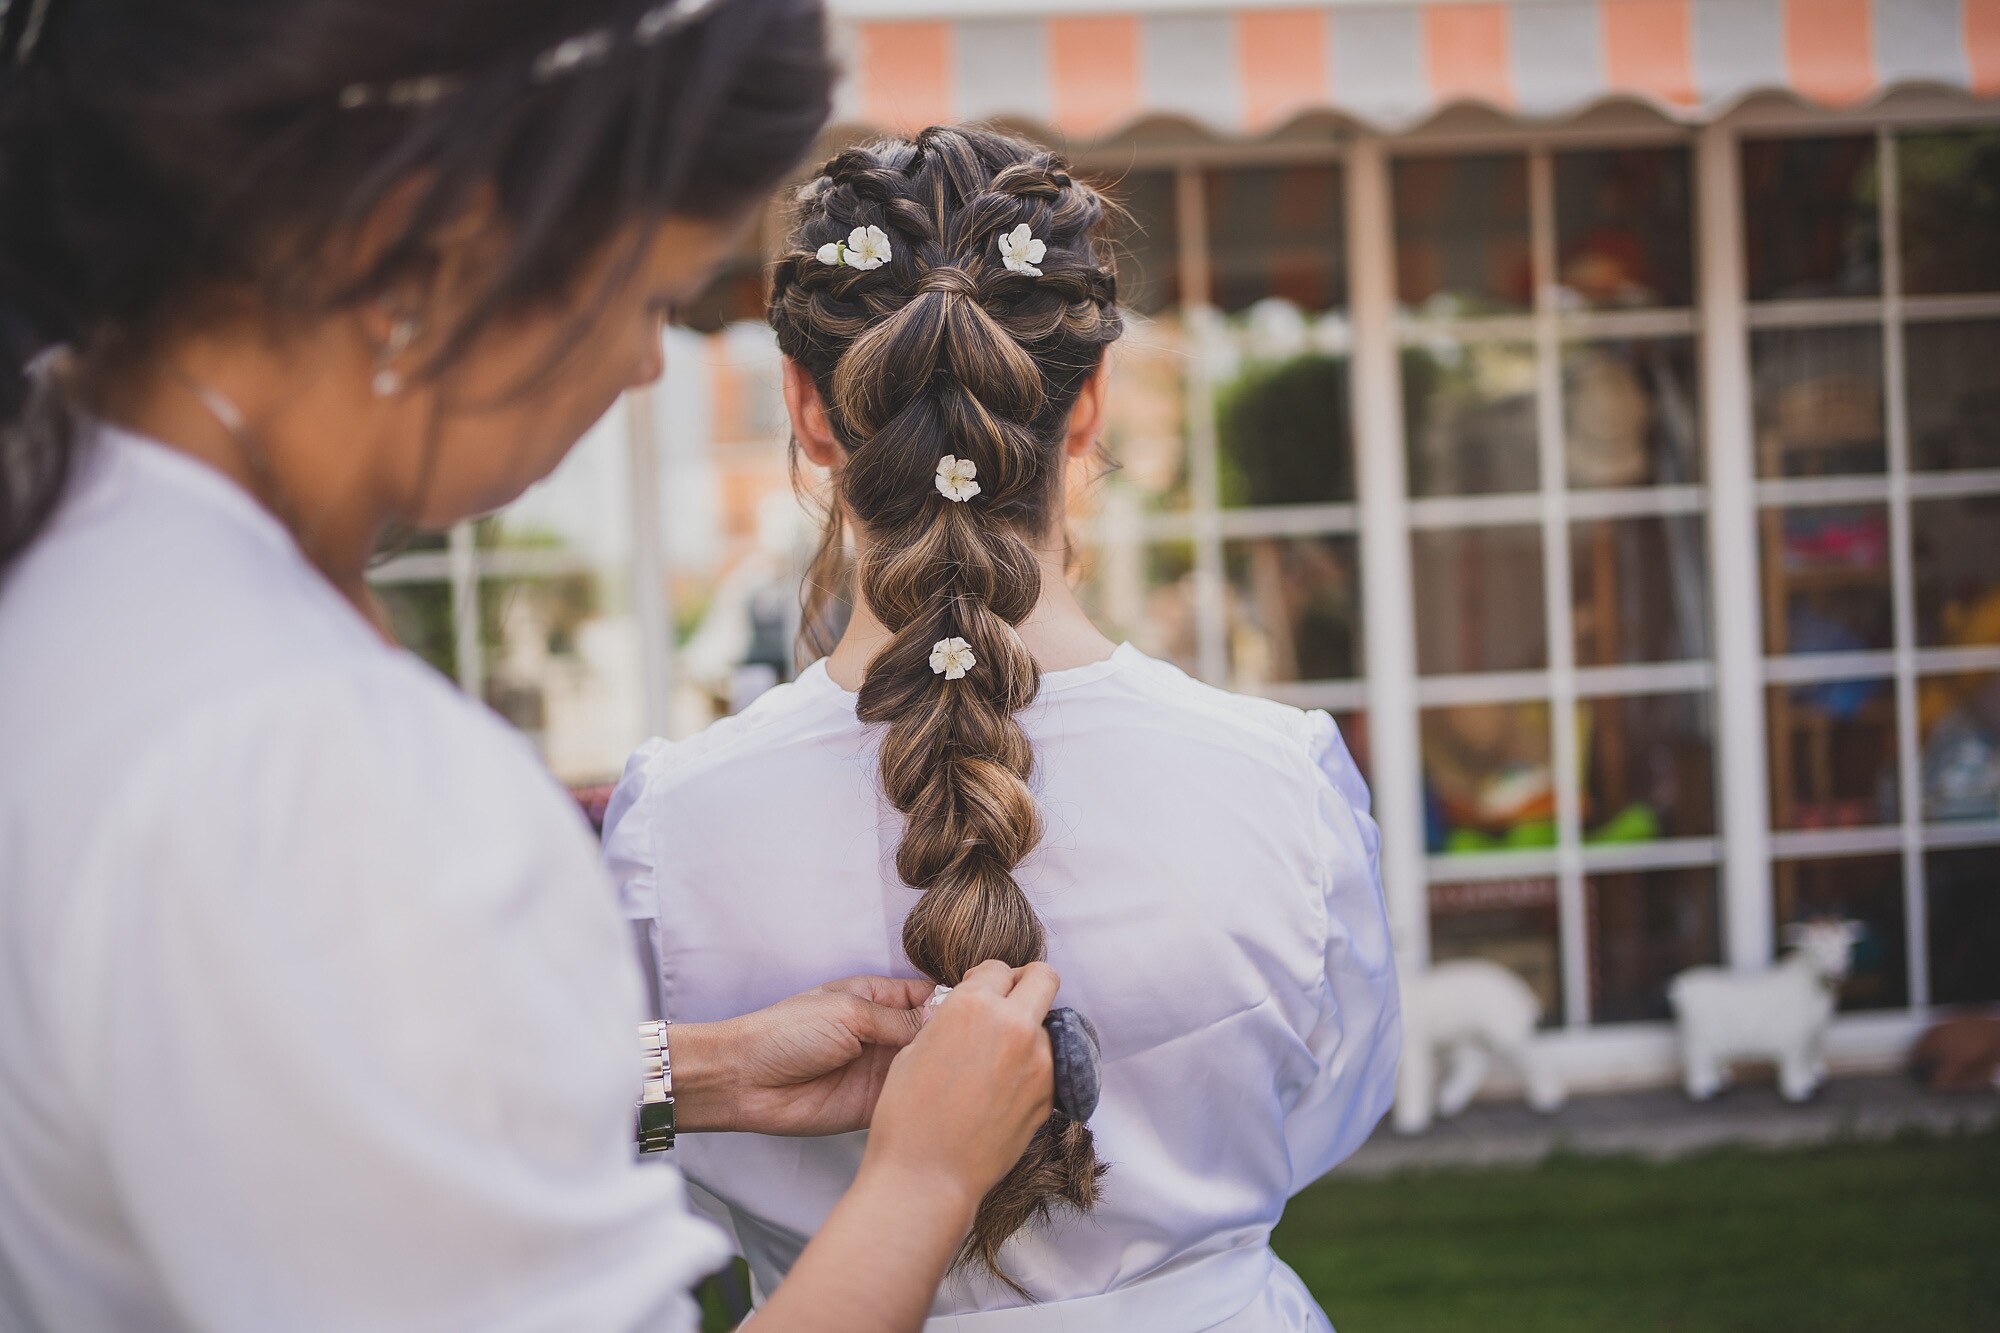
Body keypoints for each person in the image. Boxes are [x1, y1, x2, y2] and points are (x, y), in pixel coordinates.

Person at [0, 4, 1060, 1331]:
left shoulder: (82, 571)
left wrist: (697, 1073)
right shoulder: (307, 758)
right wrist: (920, 1180)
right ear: (440, 233)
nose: (635, 365)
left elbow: (254, 1085)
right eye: (650, 297)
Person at [605, 126, 1402, 1331]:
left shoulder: (674, 821)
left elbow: (572, 1134)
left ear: (808, 413)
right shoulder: (1280, 782)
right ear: (1087, 409)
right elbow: (1334, 1102)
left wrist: (688, 1075)